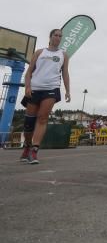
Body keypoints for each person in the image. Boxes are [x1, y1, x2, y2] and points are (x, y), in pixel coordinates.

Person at [20, 28, 71, 164]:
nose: (58, 37)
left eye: (60, 36)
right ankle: (27, 146)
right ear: (50, 37)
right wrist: (28, 87)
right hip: (35, 89)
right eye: (56, 35)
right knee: (29, 123)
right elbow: (29, 72)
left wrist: (67, 90)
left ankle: (34, 151)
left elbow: (65, 74)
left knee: (42, 118)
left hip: (51, 89)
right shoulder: (39, 52)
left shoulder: (63, 55)